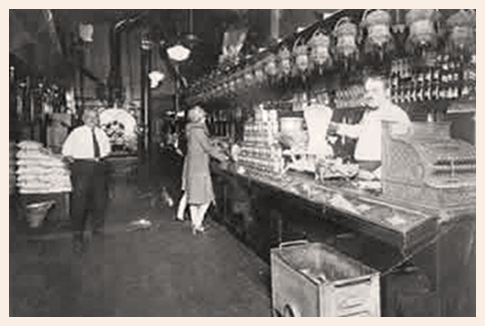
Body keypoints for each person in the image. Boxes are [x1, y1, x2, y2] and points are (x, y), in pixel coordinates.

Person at [329, 75, 411, 179]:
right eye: (367, 91)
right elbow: (361, 130)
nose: (369, 95)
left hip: (381, 172)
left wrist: (377, 175)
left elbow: (404, 151)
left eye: (375, 91)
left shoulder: (396, 114)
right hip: (364, 169)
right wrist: (337, 128)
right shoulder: (369, 113)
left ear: (387, 92)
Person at [62, 109, 111, 251]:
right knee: (79, 203)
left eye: (95, 117)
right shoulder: (76, 133)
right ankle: (78, 237)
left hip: (99, 168)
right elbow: (66, 153)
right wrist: (78, 164)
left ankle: (97, 230)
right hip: (82, 168)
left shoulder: (101, 133)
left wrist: (100, 162)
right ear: (83, 118)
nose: (92, 119)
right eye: (89, 117)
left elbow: (107, 150)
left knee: (100, 201)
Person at [182, 106, 229, 234]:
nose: (205, 119)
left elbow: (203, 145)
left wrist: (212, 142)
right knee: (207, 198)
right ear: (200, 118)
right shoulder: (199, 131)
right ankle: (198, 223)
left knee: (193, 198)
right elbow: (208, 148)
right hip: (200, 168)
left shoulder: (191, 130)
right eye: (204, 117)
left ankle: (195, 224)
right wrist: (223, 157)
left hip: (192, 167)